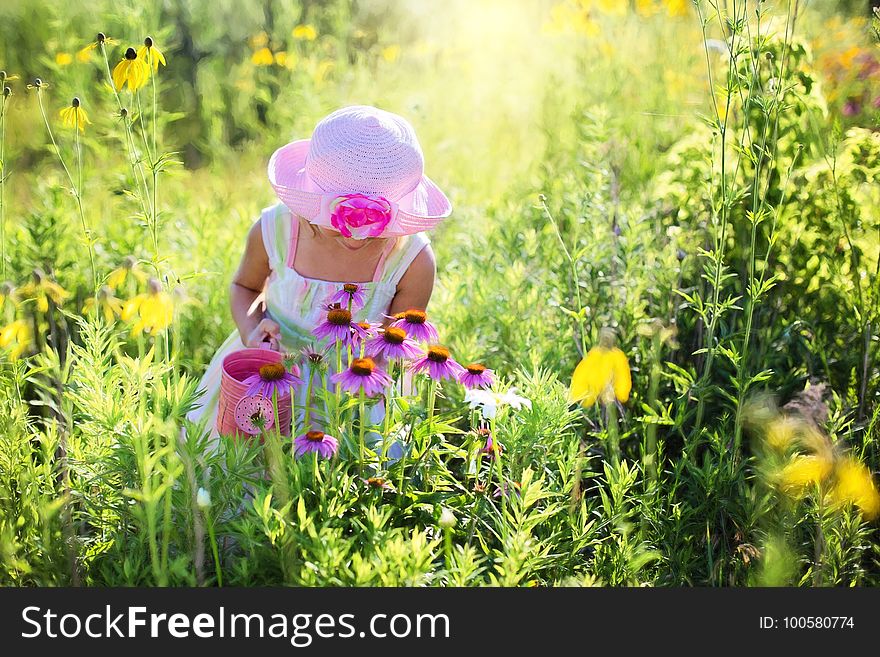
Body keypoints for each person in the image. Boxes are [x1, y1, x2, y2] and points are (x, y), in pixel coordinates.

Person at [186, 105, 452, 456]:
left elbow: (395, 345)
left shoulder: (410, 261)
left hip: (351, 391)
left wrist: (365, 385)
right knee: (243, 468)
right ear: (312, 200)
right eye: (346, 218)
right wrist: (252, 330)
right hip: (269, 371)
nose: (358, 236)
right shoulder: (276, 231)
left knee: (344, 476)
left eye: (375, 224)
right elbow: (245, 287)